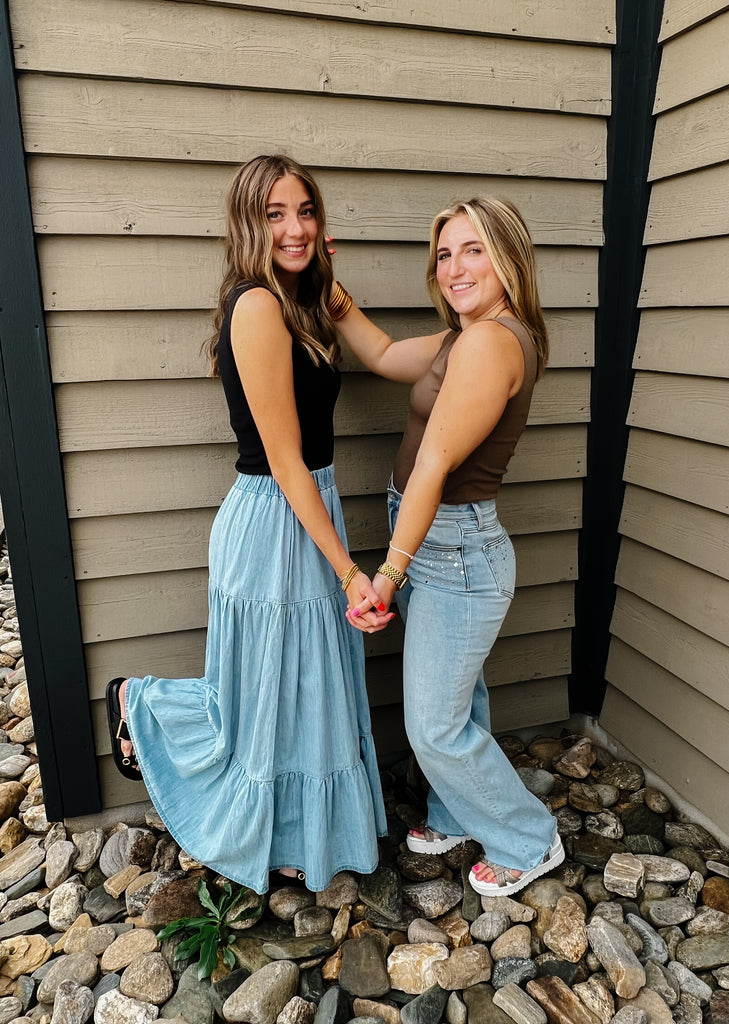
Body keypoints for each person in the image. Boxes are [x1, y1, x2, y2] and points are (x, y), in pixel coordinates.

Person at [106, 154, 390, 895]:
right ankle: (141, 702)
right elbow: (287, 462)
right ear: (247, 225)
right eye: (275, 214)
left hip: (307, 508)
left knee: (298, 689)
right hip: (274, 518)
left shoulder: (308, 297)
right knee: (264, 697)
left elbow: (391, 355)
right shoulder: (259, 305)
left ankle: (291, 833)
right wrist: (350, 571)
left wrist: (474, 335)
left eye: (306, 211)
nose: (295, 228)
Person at [331, 196, 563, 896]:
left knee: (434, 726)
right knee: (458, 703)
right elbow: (380, 354)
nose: (455, 267)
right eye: (444, 254)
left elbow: (433, 463)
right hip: (438, 544)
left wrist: (389, 573)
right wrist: (327, 290)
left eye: (473, 250)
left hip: (454, 552)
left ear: (508, 258)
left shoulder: (493, 343)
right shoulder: (464, 337)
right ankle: (457, 813)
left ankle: (529, 839)